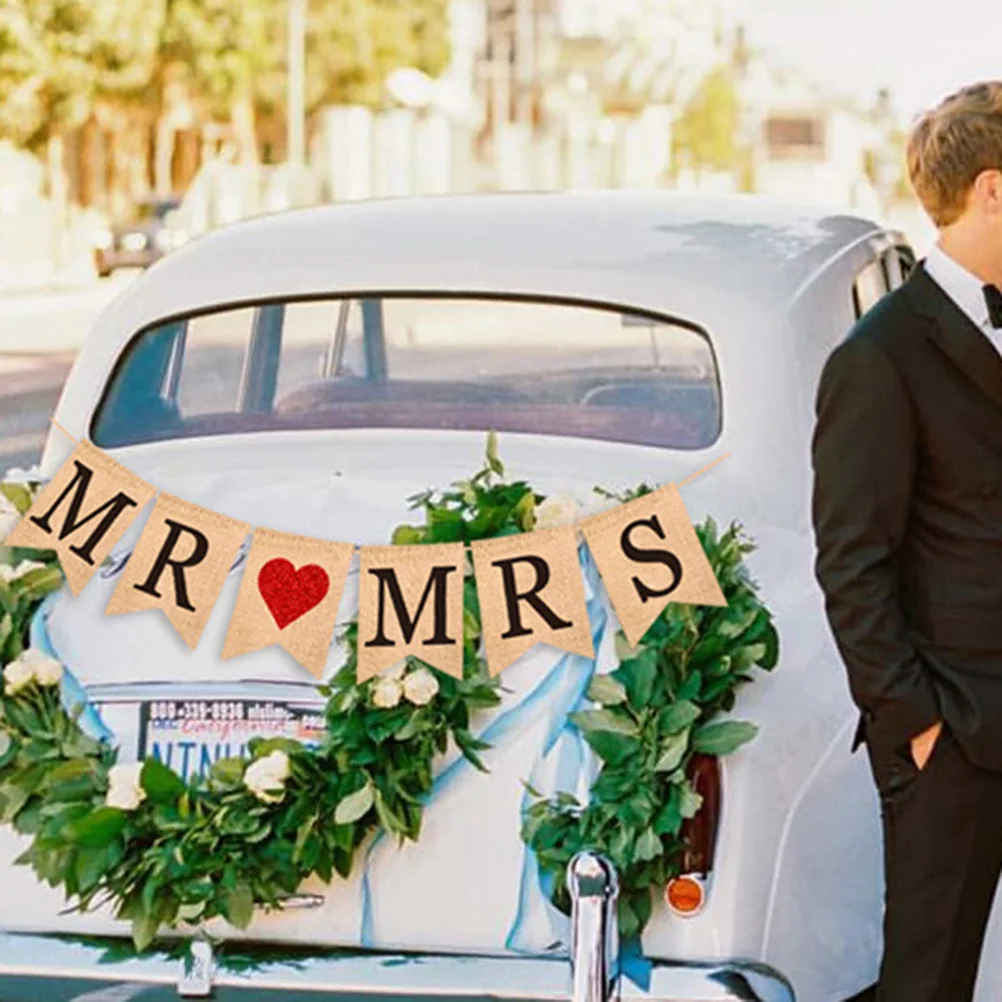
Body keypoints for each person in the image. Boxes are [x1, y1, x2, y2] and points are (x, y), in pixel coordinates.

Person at [812, 81, 1002, 1002]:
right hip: (957, 736)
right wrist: (918, 727)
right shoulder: (877, 357)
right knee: (930, 985)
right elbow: (852, 561)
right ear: (992, 191)